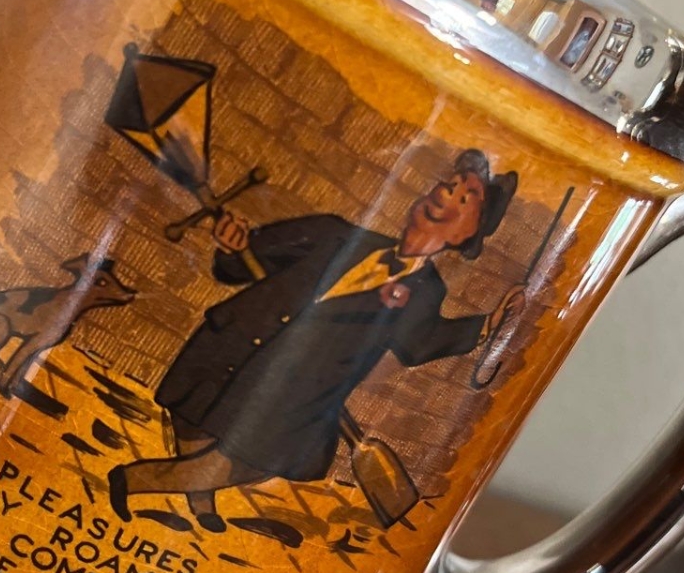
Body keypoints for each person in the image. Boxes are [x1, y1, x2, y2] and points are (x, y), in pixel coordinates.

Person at [108, 150, 519, 528]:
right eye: (449, 184)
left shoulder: (426, 293)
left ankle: (134, 478)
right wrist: (235, 245)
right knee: (195, 421)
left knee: (252, 459)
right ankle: (200, 500)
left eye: (464, 198)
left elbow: (420, 343)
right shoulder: (331, 232)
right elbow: (242, 262)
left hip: (293, 391)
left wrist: (487, 325)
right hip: (233, 342)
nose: (446, 193)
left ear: (467, 234)